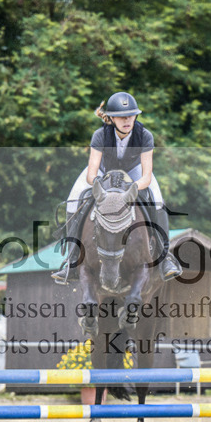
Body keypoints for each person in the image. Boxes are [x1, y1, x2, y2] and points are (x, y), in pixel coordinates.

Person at [51, 91, 183, 284]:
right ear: (112, 118)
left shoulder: (144, 135)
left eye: (131, 115)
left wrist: (130, 188)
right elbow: (91, 174)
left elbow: (146, 176)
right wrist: (100, 188)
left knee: (158, 200)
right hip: (104, 170)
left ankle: (165, 259)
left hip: (134, 171)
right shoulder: (100, 135)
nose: (127, 120)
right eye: (122, 116)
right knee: (73, 199)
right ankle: (72, 259)